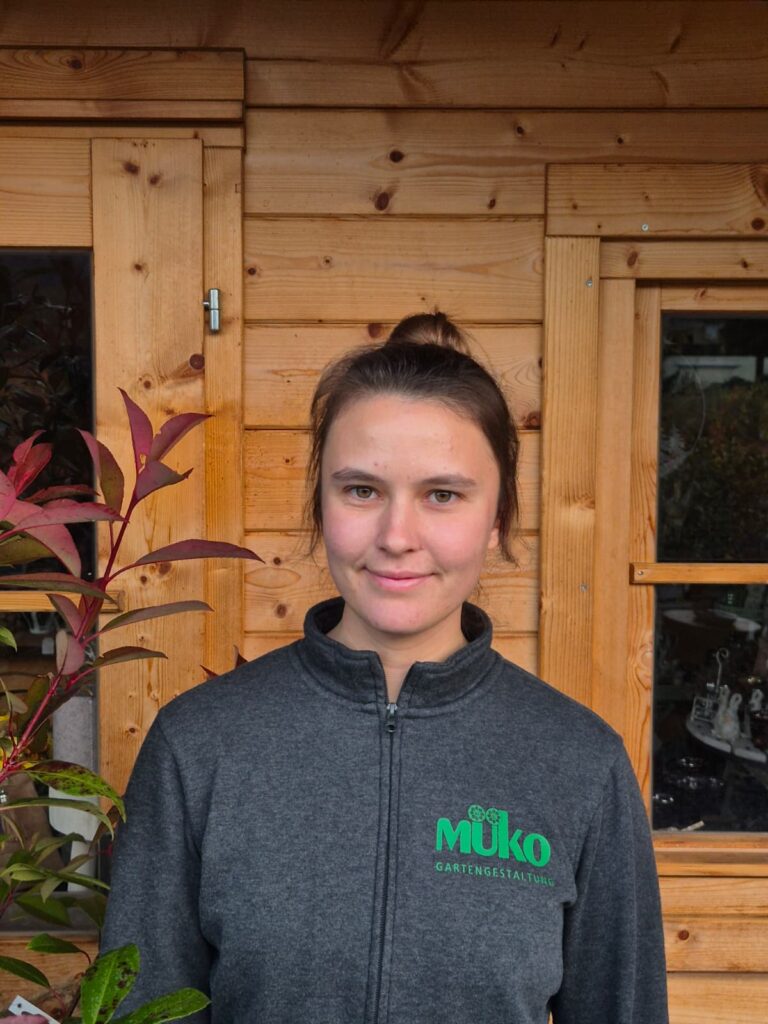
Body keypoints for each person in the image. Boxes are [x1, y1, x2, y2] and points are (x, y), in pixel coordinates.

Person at [100, 312, 669, 1024]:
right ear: (321, 503)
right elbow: (142, 1008)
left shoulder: (580, 763)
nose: (397, 537)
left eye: (443, 495)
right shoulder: (199, 745)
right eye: (362, 490)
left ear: (498, 517)